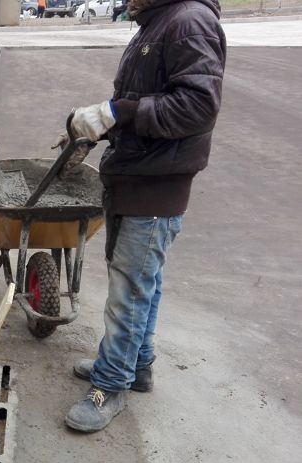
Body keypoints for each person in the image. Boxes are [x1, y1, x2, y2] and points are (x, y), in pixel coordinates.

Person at [63, 0, 226, 432]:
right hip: (141, 174)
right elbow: (145, 102)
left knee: (128, 295)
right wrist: (103, 124)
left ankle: (110, 386)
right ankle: (137, 366)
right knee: (142, 287)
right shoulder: (158, 23)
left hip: (157, 183)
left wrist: (119, 112)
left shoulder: (189, 21)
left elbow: (196, 106)